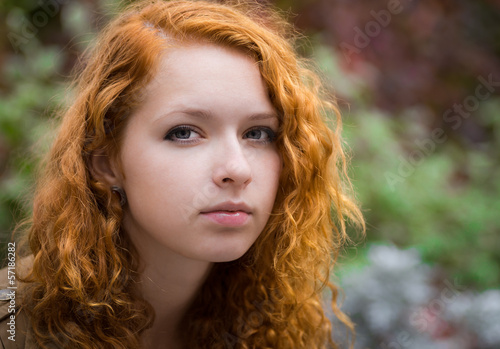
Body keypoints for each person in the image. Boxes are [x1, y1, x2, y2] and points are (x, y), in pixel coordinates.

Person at [0, 0, 364, 348]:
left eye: (258, 134)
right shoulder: (12, 326)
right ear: (105, 162)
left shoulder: (273, 323)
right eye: (185, 132)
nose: (237, 169)